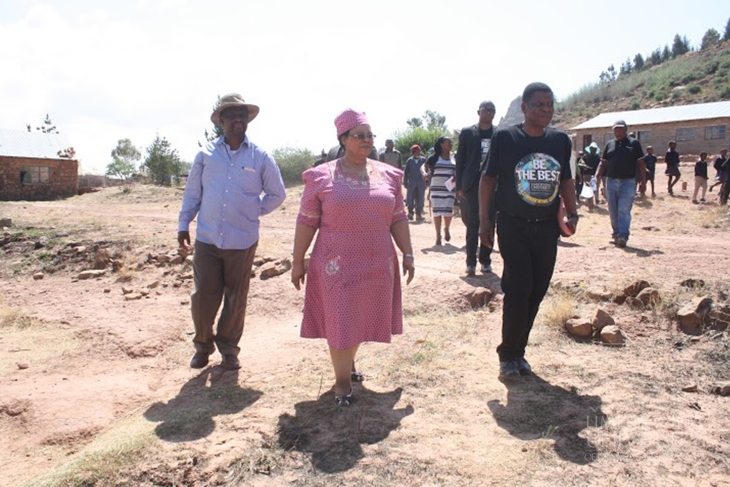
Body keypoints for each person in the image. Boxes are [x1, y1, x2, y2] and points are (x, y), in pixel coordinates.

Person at [291, 109, 415, 407]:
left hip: (377, 261)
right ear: (343, 139)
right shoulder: (321, 177)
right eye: (359, 135)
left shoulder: (388, 174)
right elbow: (306, 221)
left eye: (370, 135)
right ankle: (342, 382)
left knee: (360, 315)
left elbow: (398, 217)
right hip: (337, 264)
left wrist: (407, 252)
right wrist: (298, 261)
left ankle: (348, 365)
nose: (367, 140)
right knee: (341, 319)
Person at [178, 93, 287, 370]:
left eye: (242, 115)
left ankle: (229, 350)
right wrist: (183, 225)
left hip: (243, 239)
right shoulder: (205, 156)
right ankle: (202, 346)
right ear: (221, 121)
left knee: (236, 298)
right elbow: (193, 194)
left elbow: (277, 194)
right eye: (232, 115)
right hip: (208, 238)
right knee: (204, 296)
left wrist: (253, 212)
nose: (238, 119)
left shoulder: (260, 156)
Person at [478, 82, 577, 381]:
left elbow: (566, 180)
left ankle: (519, 351)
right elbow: (488, 180)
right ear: (524, 107)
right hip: (512, 224)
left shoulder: (560, 140)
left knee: (537, 290)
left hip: (547, 228)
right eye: (539, 105)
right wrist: (485, 221)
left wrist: (572, 212)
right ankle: (507, 354)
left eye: (550, 105)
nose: (546, 110)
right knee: (519, 288)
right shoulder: (506, 138)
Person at [456, 101, 497, 276]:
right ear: (478, 112)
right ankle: (470, 262)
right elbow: (460, 160)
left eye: (491, 110)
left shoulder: (499, 133)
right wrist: (459, 186)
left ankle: (486, 261)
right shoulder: (467, 132)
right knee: (472, 223)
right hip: (472, 185)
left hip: (492, 184)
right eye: (485, 110)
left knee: (489, 222)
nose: (488, 113)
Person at [594, 120, 646, 248]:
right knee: (613, 210)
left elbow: (641, 164)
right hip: (611, 182)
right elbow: (603, 163)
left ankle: (623, 236)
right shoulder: (610, 144)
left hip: (628, 182)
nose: (618, 132)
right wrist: (597, 176)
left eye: (620, 129)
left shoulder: (634, 144)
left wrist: (643, 182)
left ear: (626, 129)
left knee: (623, 209)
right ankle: (616, 234)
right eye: (615, 130)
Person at [426, 136, 456, 246]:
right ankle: (438, 235)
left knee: (448, 212)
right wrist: (425, 174)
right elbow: (423, 167)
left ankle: (446, 228)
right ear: (442, 144)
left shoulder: (454, 157)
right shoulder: (434, 157)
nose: (450, 143)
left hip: (449, 188)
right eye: (448, 142)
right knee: (437, 212)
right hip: (436, 188)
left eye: (451, 142)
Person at [404, 144, 428, 220]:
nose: (418, 153)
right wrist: (405, 182)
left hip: (421, 183)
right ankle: (410, 213)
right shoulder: (409, 161)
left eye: (419, 151)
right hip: (412, 183)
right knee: (410, 198)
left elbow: (428, 171)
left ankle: (418, 213)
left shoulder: (424, 160)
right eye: (416, 151)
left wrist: (427, 181)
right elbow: (406, 172)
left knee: (420, 198)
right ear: (413, 152)